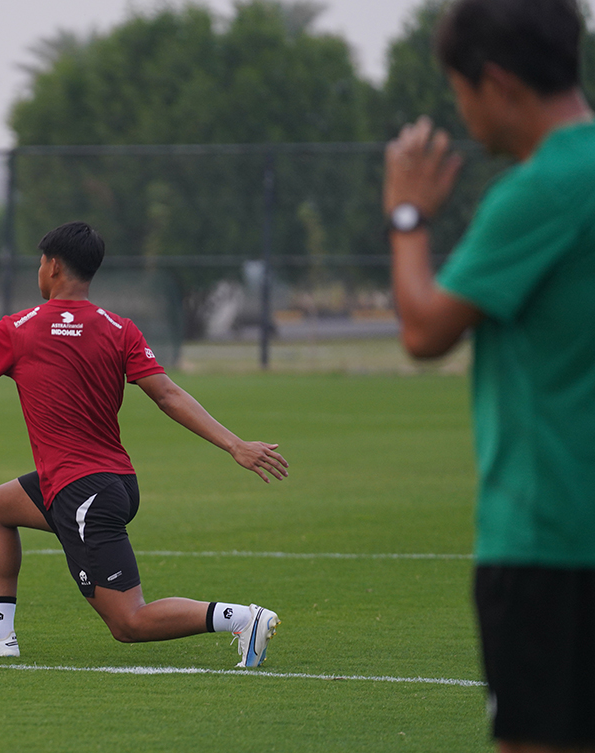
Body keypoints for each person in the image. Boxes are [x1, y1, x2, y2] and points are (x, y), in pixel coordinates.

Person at [0, 221, 288, 667]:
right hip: (113, 483)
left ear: (52, 266)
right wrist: (234, 444)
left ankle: (242, 619)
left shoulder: (18, 328)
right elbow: (169, 395)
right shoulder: (119, 328)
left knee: (129, 623)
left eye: (40, 263)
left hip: (82, 492)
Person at [383, 0, 595, 749]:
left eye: (461, 91)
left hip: (549, 539)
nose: (463, 112)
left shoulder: (538, 192)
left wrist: (408, 216)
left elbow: (424, 329)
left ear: (499, 83)